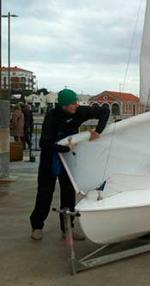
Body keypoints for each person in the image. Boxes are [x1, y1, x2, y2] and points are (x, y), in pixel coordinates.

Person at [30, 89, 110, 241]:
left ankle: (67, 229)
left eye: (76, 102)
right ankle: (37, 226)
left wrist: (97, 131)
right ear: (64, 105)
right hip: (51, 158)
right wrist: (65, 148)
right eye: (73, 103)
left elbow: (104, 111)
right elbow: (44, 143)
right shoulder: (52, 116)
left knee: (68, 194)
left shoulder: (80, 111)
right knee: (45, 194)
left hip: (69, 159)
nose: (77, 105)